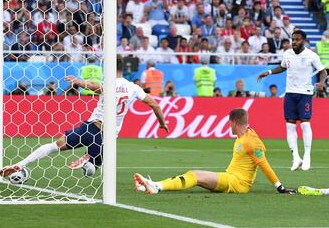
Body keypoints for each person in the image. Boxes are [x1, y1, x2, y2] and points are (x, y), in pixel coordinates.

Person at [0, 55, 169, 178]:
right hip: (106, 137)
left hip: (89, 127)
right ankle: (90, 159)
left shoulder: (108, 83)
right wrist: (161, 123)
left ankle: (21, 164)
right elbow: (154, 104)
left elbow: (96, 87)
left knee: (54, 146)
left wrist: (80, 82)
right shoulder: (134, 88)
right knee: (91, 170)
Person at [134, 108, 296, 195]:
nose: (229, 126)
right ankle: (154, 186)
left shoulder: (251, 141)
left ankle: (157, 186)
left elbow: (264, 164)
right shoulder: (243, 135)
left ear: (234, 122)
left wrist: (280, 187)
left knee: (195, 175)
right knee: (194, 173)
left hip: (238, 183)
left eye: (229, 123)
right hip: (231, 177)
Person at [257, 30, 328, 171]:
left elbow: (323, 71)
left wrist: (321, 82)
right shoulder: (287, 54)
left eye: (297, 39)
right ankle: (296, 158)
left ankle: (307, 155)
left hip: (305, 93)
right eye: (292, 39)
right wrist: (269, 72)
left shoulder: (311, 55)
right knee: (290, 126)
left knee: (305, 124)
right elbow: (282, 67)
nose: (294, 42)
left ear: (304, 41)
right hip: (290, 93)